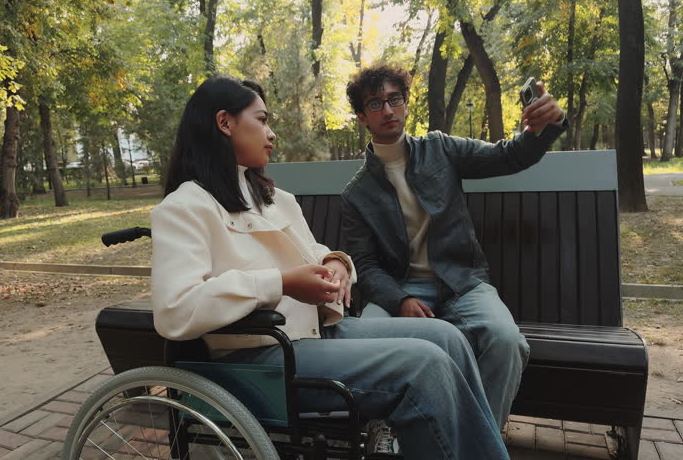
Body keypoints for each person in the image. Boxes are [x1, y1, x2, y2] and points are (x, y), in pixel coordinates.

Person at [150, 75, 510, 459]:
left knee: (447, 338)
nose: (272, 134)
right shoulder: (184, 207)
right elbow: (175, 310)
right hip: (259, 360)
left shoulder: (276, 200)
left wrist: (337, 263)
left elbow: (317, 255)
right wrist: (281, 283)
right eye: (262, 120)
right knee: (424, 365)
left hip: (315, 334)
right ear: (225, 123)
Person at [341, 64, 567, 430]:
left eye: (394, 99)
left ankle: (479, 443)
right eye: (375, 104)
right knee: (365, 344)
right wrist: (399, 301)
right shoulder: (357, 194)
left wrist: (545, 126)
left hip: (461, 283)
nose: (387, 110)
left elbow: (509, 156)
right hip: (401, 290)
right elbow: (364, 266)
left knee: (506, 341)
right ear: (362, 117)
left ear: (405, 104)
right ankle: (388, 432)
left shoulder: (440, 149)